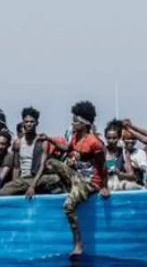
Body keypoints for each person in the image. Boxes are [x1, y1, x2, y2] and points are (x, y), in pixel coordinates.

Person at [43, 101, 110, 259]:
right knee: (52, 163)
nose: (72, 123)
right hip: (77, 177)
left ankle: (78, 242)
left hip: (90, 182)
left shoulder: (94, 143)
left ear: (84, 124)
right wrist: (49, 139)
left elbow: (104, 166)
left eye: (75, 121)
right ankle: (70, 188)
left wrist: (104, 187)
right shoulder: (75, 137)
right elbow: (67, 148)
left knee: (68, 206)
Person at [0, 107, 59, 196]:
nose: (29, 124)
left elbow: (42, 165)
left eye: (32, 122)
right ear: (23, 123)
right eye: (26, 122)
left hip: (37, 178)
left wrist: (32, 186)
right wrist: (15, 185)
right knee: (2, 193)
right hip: (23, 179)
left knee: (54, 180)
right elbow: (16, 167)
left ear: (37, 123)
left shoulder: (43, 142)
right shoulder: (18, 143)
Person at [104, 121, 141, 190]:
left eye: (114, 138)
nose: (111, 141)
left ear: (119, 138)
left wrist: (120, 174)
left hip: (119, 183)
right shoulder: (102, 152)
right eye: (109, 138)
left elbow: (132, 175)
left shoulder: (124, 152)